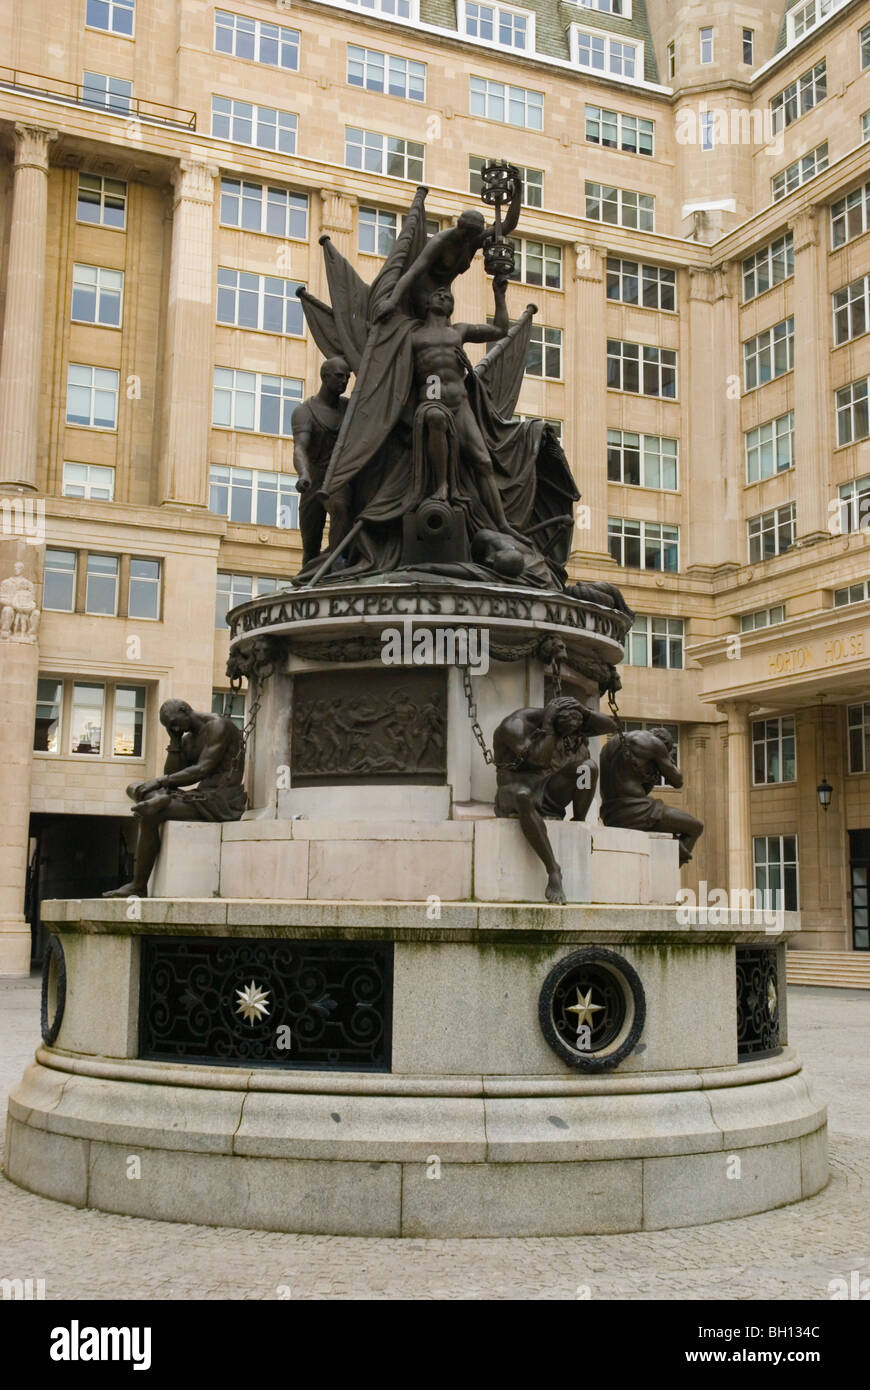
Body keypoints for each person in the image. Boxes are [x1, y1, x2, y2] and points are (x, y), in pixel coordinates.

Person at [103, 699, 246, 898]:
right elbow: (172, 776)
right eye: (169, 727)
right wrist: (175, 742)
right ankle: (160, 800)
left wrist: (160, 783)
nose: (174, 727)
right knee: (134, 787)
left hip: (222, 801)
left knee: (152, 813)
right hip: (200, 796)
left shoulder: (218, 726)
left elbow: (202, 769)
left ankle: (138, 885)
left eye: (173, 722)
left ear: (184, 710)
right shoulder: (187, 739)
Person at [410, 279, 515, 531]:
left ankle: (502, 524)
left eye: (449, 297)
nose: (445, 297)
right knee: (436, 418)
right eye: (439, 293)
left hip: (460, 403)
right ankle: (442, 486)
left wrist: (499, 294)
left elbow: (500, 330)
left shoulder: (459, 331)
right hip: (432, 398)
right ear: (426, 302)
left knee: (483, 462)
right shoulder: (413, 336)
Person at [494, 696, 618, 904]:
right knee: (523, 796)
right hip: (513, 788)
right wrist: (549, 726)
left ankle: (578, 822)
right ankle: (553, 869)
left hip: (546, 788)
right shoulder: (515, 725)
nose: (569, 738)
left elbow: (611, 725)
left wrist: (584, 711)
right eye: (565, 732)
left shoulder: (567, 721)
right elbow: (539, 761)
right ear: (554, 719)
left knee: (587, 769)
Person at [374, 185, 521, 321]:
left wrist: (517, 192)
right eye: (467, 234)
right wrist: (392, 302)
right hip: (423, 293)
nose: (470, 239)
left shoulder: (471, 239)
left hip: (443, 295)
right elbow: (413, 272)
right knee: (437, 336)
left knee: (445, 339)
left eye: (473, 236)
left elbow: (508, 224)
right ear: (461, 228)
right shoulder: (440, 241)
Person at [599, 726, 703, 865]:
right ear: (663, 745)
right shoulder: (653, 744)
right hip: (635, 810)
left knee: (672, 832)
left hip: (609, 813)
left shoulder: (611, 744)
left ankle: (674, 849)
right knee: (695, 827)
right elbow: (677, 781)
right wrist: (665, 762)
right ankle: (669, 870)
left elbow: (639, 787)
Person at [291, 356, 353, 566]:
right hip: (314, 478)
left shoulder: (350, 408)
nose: (344, 381)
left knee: (341, 509)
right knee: (310, 545)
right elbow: (300, 447)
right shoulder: (305, 411)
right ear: (324, 377)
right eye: (339, 376)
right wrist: (304, 474)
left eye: (347, 377)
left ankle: (335, 562)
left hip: (339, 477)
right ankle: (310, 575)